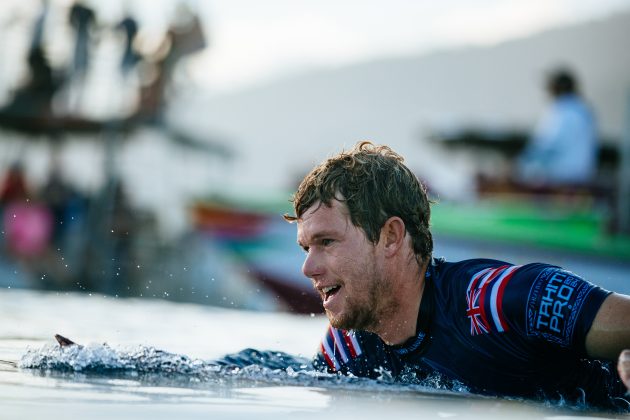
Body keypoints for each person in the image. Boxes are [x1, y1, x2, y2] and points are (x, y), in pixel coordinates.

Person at [285, 141, 630, 410]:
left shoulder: (502, 301)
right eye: (306, 248)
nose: (308, 268)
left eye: (326, 241)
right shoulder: (346, 349)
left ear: (390, 236)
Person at [516, 69, 598, 186]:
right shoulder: (584, 110)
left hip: (561, 178)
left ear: (556, 88)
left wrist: (520, 163)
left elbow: (545, 146)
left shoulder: (561, 112)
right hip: (582, 176)